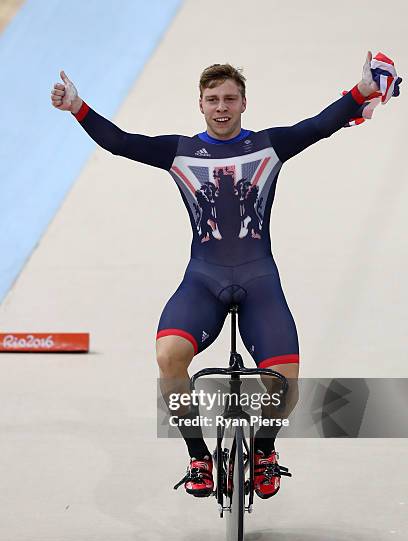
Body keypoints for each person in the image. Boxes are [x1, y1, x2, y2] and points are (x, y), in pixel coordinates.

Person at [51, 52, 382, 499]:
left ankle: (264, 451)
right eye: (213, 100)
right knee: (169, 356)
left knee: (286, 383)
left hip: (259, 280)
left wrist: (362, 89)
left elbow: (319, 125)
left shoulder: (268, 145)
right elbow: (121, 142)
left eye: (230, 98)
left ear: (244, 103)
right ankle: (198, 457)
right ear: (201, 106)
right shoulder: (180, 152)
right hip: (203, 280)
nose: (221, 107)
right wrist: (78, 107)